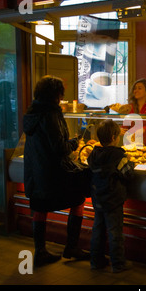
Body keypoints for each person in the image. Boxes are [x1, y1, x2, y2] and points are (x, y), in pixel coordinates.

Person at [23, 75, 90, 267]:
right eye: (61, 93)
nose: (62, 97)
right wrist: (75, 143)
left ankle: (40, 251)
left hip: (36, 172)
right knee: (79, 200)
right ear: (55, 94)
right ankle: (71, 246)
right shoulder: (51, 114)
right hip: (53, 172)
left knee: (39, 208)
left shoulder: (32, 113)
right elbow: (59, 147)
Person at [87, 119, 134, 273]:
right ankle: (118, 263)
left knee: (98, 230)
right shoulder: (118, 155)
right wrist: (131, 163)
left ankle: (96, 261)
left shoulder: (94, 154)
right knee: (115, 232)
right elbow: (128, 174)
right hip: (113, 200)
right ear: (114, 137)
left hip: (98, 198)